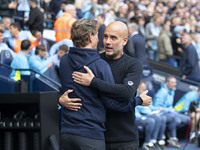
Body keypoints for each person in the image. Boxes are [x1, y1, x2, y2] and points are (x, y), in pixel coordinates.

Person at [59, 19, 151, 150]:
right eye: (105, 36)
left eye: (113, 38)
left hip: (124, 138)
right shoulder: (95, 60)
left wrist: (93, 82)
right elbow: (67, 86)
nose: (107, 42)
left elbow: (127, 92)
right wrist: (60, 98)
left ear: (124, 41)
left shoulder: (133, 64)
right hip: (97, 136)